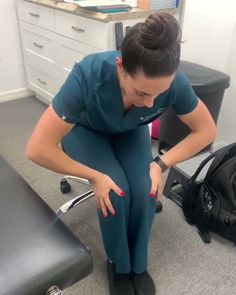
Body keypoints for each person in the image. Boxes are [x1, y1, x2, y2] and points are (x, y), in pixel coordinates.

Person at [26, 12, 217, 295]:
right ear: (120, 66)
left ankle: (138, 265)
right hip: (86, 131)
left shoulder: (173, 81)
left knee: (147, 188)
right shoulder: (88, 76)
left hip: (129, 131)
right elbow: (37, 149)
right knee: (115, 190)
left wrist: (161, 164)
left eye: (159, 93)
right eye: (141, 93)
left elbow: (206, 131)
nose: (150, 103)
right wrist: (93, 176)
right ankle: (118, 264)